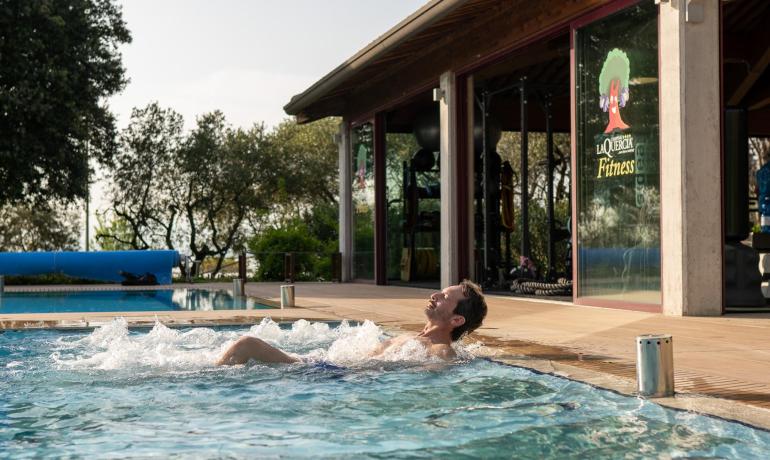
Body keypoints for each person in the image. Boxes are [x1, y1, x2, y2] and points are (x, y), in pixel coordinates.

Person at [217, 280, 488, 365]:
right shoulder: (418, 338)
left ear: (456, 319)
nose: (434, 295)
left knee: (247, 344)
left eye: (443, 297)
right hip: (325, 365)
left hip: (336, 378)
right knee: (245, 345)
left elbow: (435, 375)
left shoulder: (441, 350)